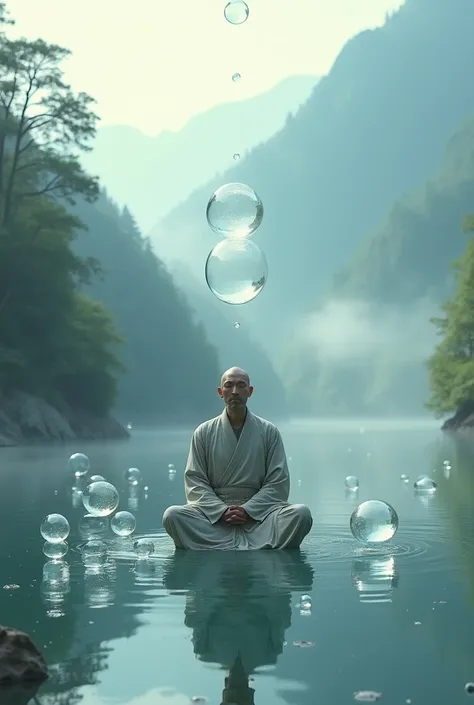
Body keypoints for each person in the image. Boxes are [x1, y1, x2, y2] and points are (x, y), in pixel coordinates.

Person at [162, 367, 313, 549]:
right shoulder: (203, 432)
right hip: (215, 519)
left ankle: (215, 546)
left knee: (301, 514)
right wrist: (221, 511)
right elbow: (195, 481)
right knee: (172, 516)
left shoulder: (269, 431)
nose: (234, 391)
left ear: (250, 391)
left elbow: (277, 482)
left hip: (260, 517)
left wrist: (248, 510)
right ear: (220, 392)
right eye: (229, 385)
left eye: (241, 385)